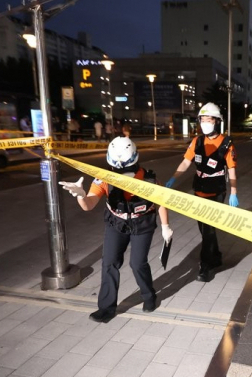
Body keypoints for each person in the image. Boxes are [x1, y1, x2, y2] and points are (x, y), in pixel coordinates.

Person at [59, 137, 174, 323]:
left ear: (135, 161)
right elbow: (88, 205)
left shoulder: (149, 179)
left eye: (126, 169)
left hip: (142, 222)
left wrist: (165, 226)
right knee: (109, 263)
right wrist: (80, 196)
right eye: (117, 168)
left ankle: (149, 296)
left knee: (137, 263)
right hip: (116, 223)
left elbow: (160, 203)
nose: (120, 172)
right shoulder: (104, 178)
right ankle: (106, 308)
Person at [165, 102, 239, 282]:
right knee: (205, 229)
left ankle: (205, 266)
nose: (205, 123)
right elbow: (185, 162)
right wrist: (174, 178)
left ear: (217, 121)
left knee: (208, 230)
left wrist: (234, 192)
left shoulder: (226, 143)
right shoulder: (197, 141)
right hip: (199, 190)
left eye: (209, 119)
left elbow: (231, 170)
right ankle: (216, 256)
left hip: (217, 191)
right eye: (202, 119)